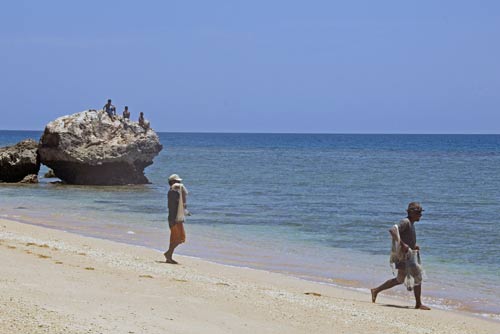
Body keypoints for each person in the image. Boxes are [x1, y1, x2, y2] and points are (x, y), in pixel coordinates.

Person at [371, 202, 431, 310]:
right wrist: (403, 245)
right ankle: (418, 304)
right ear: (411, 212)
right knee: (418, 276)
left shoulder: (411, 223)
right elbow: (393, 230)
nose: (420, 215)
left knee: (399, 279)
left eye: (421, 213)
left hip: (408, 255)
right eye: (418, 213)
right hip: (404, 257)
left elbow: (403, 236)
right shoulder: (405, 222)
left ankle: (375, 290)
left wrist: (413, 246)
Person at [164, 174, 188, 264]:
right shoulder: (173, 193)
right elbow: (174, 207)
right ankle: (168, 254)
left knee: (177, 238)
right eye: (178, 182)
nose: (180, 183)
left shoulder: (176, 192)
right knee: (178, 239)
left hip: (176, 218)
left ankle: (169, 255)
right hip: (174, 219)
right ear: (173, 183)